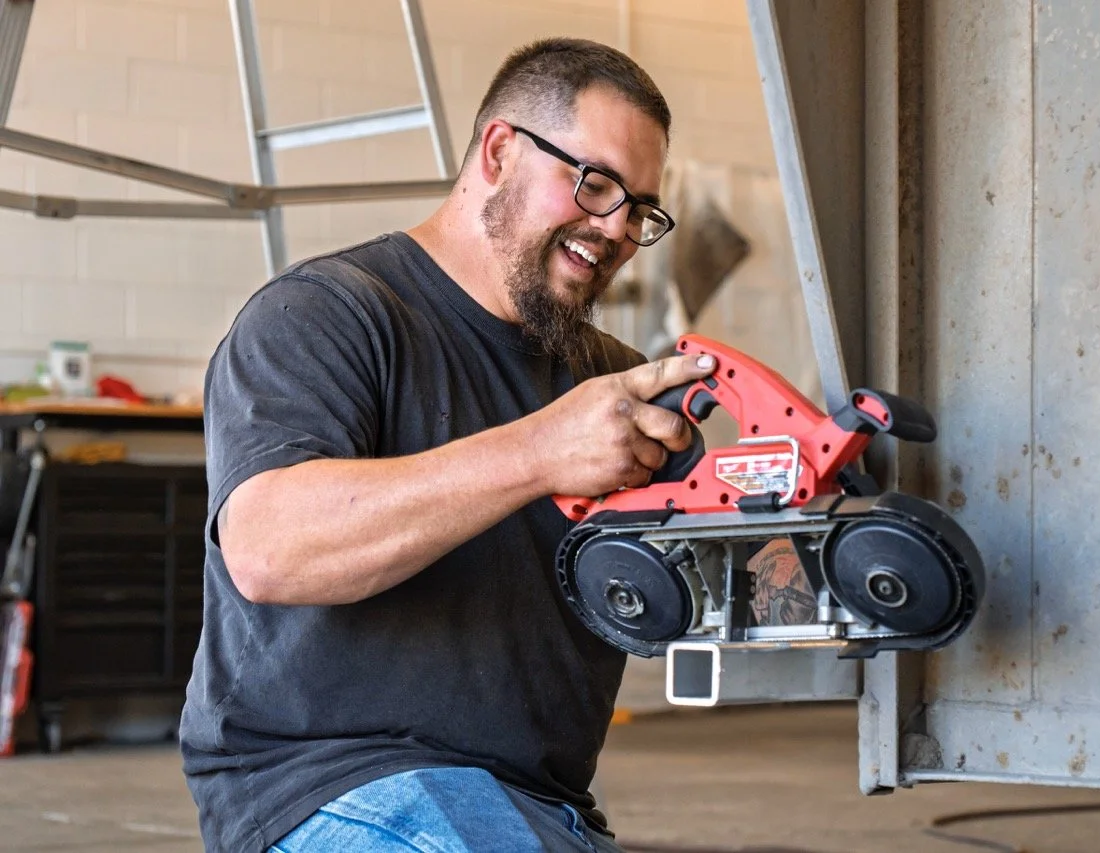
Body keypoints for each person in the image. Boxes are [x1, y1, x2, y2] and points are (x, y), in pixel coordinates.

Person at [180, 37, 720, 853]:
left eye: (639, 208)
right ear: (500, 151)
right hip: (328, 785)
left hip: (540, 801)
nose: (615, 228)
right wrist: (540, 452)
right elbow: (269, 547)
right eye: (595, 183)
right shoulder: (324, 315)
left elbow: (705, 577)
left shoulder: (615, 382)